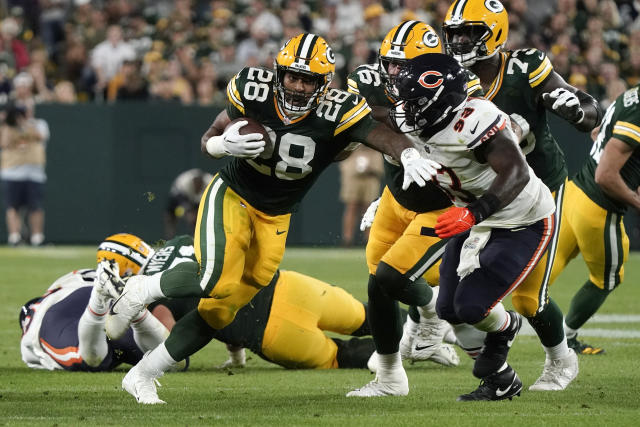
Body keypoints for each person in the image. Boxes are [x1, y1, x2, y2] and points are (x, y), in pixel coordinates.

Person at [105, 33, 438, 404]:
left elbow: (383, 136)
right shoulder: (253, 88)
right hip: (232, 194)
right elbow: (209, 137)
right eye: (292, 76)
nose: (297, 86)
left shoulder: (340, 109)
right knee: (214, 277)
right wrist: (221, 145)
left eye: (308, 79)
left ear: (323, 84)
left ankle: (143, 375)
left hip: (276, 215)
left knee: (220, 310)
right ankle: (144, 289)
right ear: (278, 72)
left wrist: (407, 155)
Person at [350, 53, 555, 401]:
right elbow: (376, 121)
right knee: (447, 310)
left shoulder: (476, 119)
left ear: (440, 102)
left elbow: (517, 173)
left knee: (473, 308)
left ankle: (506, 330)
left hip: (521, 219)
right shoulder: (418, 117)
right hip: (469, 214)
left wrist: (476, 212)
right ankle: (503, 381)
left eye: (413, 102)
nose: (404, 108)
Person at [442, 0, 603, 390]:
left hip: (537, 190)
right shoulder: (446, 77)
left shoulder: (524, 67)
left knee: (528, 300)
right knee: (451, 302)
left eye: (470, 32)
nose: (461, 41)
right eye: (455, 33)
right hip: (481, 195)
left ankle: (561, 360)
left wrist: (576, 110)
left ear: (494, 33)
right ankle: (494, 372)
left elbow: (589, 112)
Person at [21, 232, 377, 373]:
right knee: (371, 317)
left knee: (341, 356)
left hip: (273, 332)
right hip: (293, 286)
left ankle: (409, 351)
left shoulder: (149, 288)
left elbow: (172, 340)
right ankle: (424, 329)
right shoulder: (180, 241)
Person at [346, 21, 470, 375]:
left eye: (402, 65)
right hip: (398, 196)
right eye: (389, 63)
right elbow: (355, 120)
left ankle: (443, 323)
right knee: (378, 279)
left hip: (443, 202)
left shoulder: (458, 85)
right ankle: (418, 341)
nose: (392, 71)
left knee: (406, 277)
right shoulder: (368, 81)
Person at [544, 84, 640, 354]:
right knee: (608, 278)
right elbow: (606, 176)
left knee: (538, 276)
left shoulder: (631, 96)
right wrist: (635, 200)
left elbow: (599, 133)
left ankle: (468, 321)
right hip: (597, 208)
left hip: (573, 195)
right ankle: (567, 338)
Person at [20, 233, 171, 371]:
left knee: (89, 360)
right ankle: (133, 310)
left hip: (69, 307)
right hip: (112, 309)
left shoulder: (69, 284)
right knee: (169, 359)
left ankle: (100, 301)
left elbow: (27, 314)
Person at [0, 105, 48, 246]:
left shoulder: (39, 124)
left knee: (36, 206)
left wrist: (25, 124)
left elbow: (41, 136)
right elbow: (4, 143)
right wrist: (8, 123)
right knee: (12, 206)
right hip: (12, 172)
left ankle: (37, 237)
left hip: (34, 173)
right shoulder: (7, 127)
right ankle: (15, 237)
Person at [338, 144, 383, 247]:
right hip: (353, 177)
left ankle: (369, 239)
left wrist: (372, 168)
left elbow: (379, 168)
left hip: (371, 178)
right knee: (351, 206)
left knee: (369, 208)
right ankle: (347, 240)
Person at [164, 168, 214, 239]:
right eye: (196, 183)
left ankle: (198, 239)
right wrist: (188, 212)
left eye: (199, 183)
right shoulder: (183, 182)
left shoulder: (210, 182)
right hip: (179, 198)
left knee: (197, 219)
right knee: (170, 217)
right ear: (193, 181)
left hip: (199, 200)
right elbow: (179, 200)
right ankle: (169, 239)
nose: (197, 186)